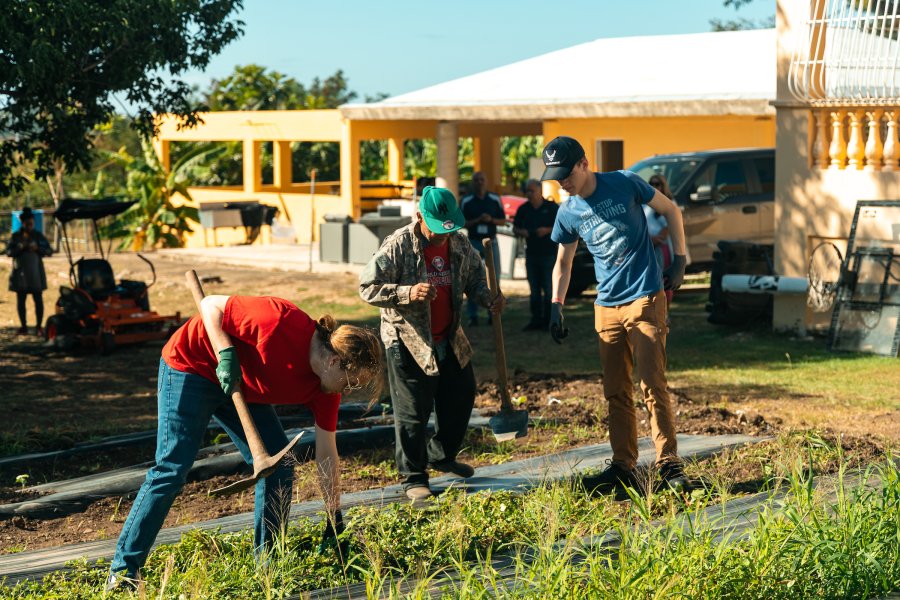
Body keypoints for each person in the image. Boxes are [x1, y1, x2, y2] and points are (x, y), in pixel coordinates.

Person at [107, 295, 383, 590]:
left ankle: (269, 565)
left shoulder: (325, 389)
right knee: (172, 469)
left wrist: (334, 515)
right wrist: (225, 355)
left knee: (280, 466)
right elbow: (211, 304)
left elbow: (328, 454)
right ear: (334, 360)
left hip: (241, 387)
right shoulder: (278, 322)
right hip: (193, 365)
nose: (349, 389)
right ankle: (123, 573)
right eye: (351, 381)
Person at [540, 136, 689, 492]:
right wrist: (556, 305)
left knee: (652, 382)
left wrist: (681, 258)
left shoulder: (624, 182)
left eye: (566, 172)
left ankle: (668, 465)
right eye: (555, 175)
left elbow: (671, 210)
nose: (563, 181)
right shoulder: (569, 210)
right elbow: (563, 261)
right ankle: (623, 466)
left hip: (644, 298)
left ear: (584, 163)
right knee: (615, 391)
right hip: (606, 306)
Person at [359, 186, 506, 501]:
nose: (443, 236)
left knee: (462, 395)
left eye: (448, 229)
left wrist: (488, 298)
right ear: (419, 217)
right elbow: (367, 287)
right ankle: (414, 477)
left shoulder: (461, 245)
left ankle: (441, 454)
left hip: (449, 338)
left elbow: (476, 280)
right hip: (407, 340)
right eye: (438, 230)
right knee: (413, 411)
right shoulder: (398, 246)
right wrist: (406, 293)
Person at [460, 171, 506, 326]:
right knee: (471, 278)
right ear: (473, 182)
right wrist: (477, 220)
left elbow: (502, 220)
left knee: (493, 277)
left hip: (491, 242)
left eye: (482, 179)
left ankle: (491, 313)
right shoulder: (466, 200)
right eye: (476, 180)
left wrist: (491, 219)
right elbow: (461, 223)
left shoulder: (494, 199)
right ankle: (472, 316)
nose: (480, 182)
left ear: (486, 182)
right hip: (473, 242)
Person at [513, 179, 559, 331]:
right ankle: (536, 319)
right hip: (531, 255)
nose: (529, 194)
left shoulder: (551, 208)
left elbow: (562, 227)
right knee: (534, 291)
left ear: (540, 191)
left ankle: (549, 320)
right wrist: (522, 232)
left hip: (549, 255)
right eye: (527, 191)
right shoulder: (523, 209)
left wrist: (547, 230)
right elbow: (515, 229)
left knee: (549, 289)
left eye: (532, 191)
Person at [5, 207, 53, 336]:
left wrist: (38, 249)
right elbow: (8, 252)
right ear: (22, 223)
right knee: (21, 301)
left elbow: (49, 251)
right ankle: (24, 326)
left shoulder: (38, 236)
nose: (29, 226)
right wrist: (20, 248)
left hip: (36, 273)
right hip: (20, 274)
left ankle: (38, 326)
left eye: (31, 223)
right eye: (27, 224)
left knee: (38, 300)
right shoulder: (16, 237)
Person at [645, 174, 675, 308]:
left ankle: (665, 312)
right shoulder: (643, 202)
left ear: (664, 186)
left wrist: (655, 240)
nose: (655, 187)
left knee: (664, 280)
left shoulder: (669, 203)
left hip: (662, 248)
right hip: (646, 246)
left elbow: (668, 228)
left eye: (658, 184)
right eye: (652, 183)